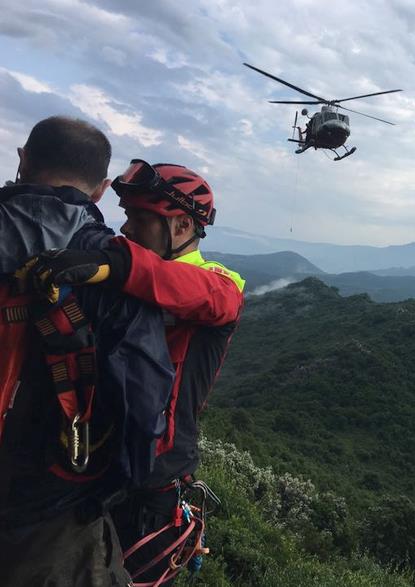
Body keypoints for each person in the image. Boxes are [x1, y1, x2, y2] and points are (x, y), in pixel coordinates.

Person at [27, 160, 245, 584]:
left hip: (152, 483)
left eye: (140, 219)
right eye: (125, 217)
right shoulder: (126, 275)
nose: (125, 229)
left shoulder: (218, 281)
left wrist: (117, 265)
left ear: (182, 226)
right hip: (95, 462)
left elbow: (213, 298)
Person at [0, 116, 175, 586]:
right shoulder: (114, 269)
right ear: (100, 191)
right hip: (51, 517)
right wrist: (104, 492)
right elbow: (144, 410)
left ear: (22, 160)